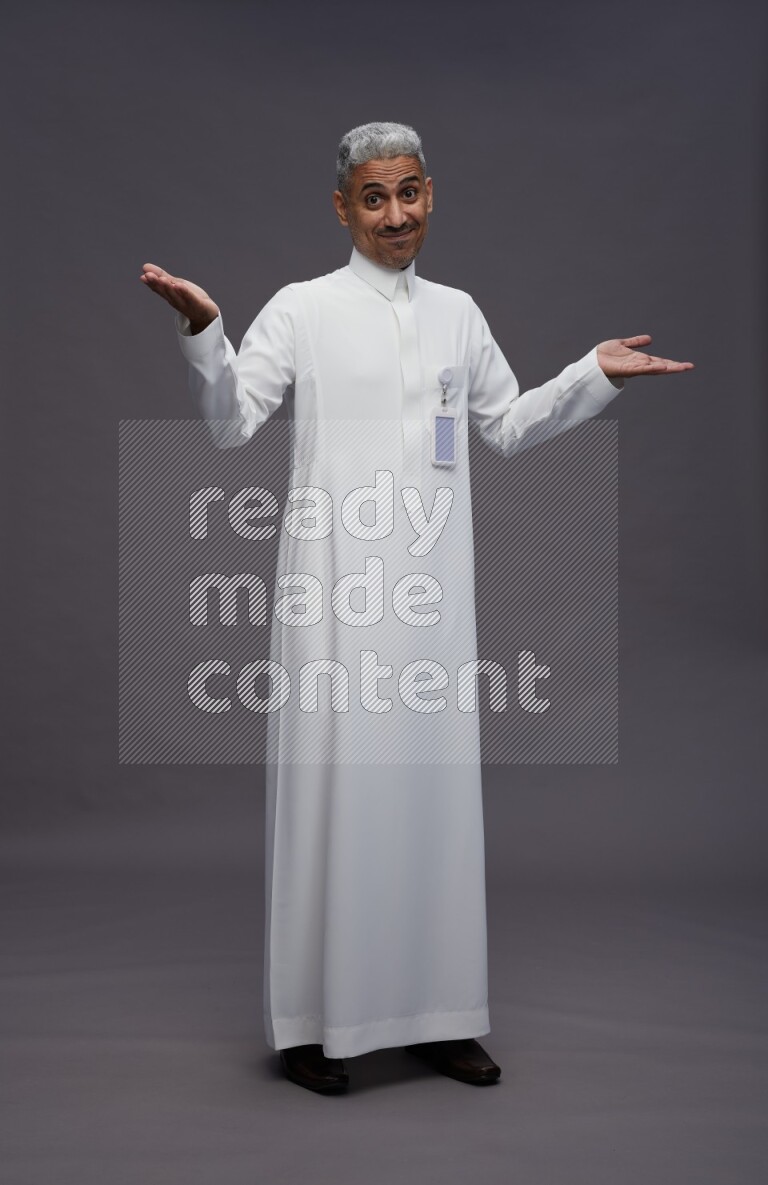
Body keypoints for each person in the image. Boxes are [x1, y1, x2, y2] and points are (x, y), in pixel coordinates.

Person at [140, 121, 693, 1095]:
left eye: (408, 194)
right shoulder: (303, 311)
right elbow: (229, 427)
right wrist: (202, 332)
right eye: (372, 197)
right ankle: (313, 1026)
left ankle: (438, 1017)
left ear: (429, 193)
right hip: (333, 599)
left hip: (432, 601)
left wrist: (588, 375)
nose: (394, 215)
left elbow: (508, 426)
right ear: (342, 206)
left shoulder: (456, 314)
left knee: (430, 803)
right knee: (332, 800)